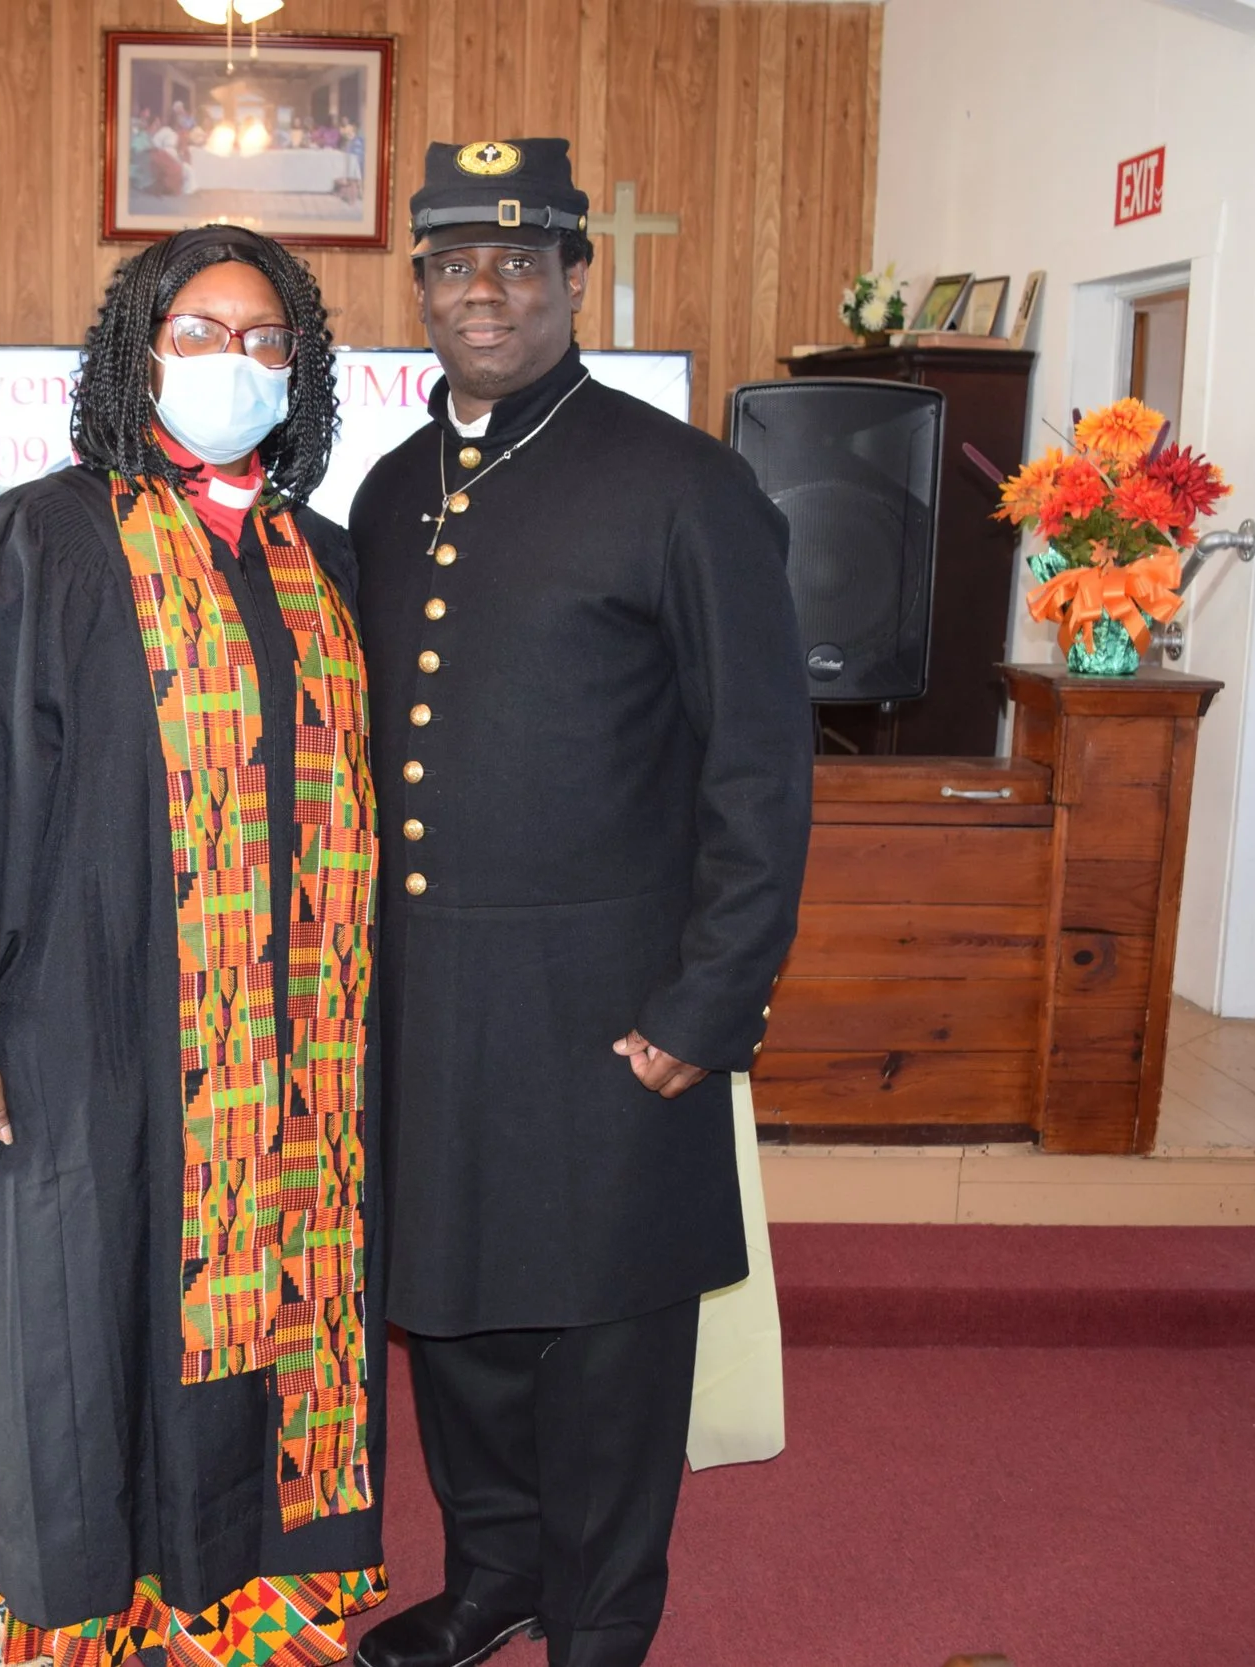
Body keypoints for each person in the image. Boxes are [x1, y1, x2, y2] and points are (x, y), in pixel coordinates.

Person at [0, 225, 388, 1667]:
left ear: (302, 368)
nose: (232, 364)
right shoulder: (43, 539)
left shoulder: (322, 563)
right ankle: (90, 1619)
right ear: (137, 351)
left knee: (275, 1315)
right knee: (87, 1322)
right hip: (89, 1030)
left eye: (266, 339)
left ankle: (248, 1600)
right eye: (197, 333)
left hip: (293, 1055)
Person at [347, 138, 812, 1667]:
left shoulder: (685, 484)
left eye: (522, 259)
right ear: (419, 286)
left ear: (574, 277)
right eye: (456, 263)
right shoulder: (397, 487)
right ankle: (494, 1576)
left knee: (609, 1337)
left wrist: (710, 1002)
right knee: (455, 1318)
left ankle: (602, 1619)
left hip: (615, 1008)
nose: (488, 288)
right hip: (431, 1000)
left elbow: (760, 769)